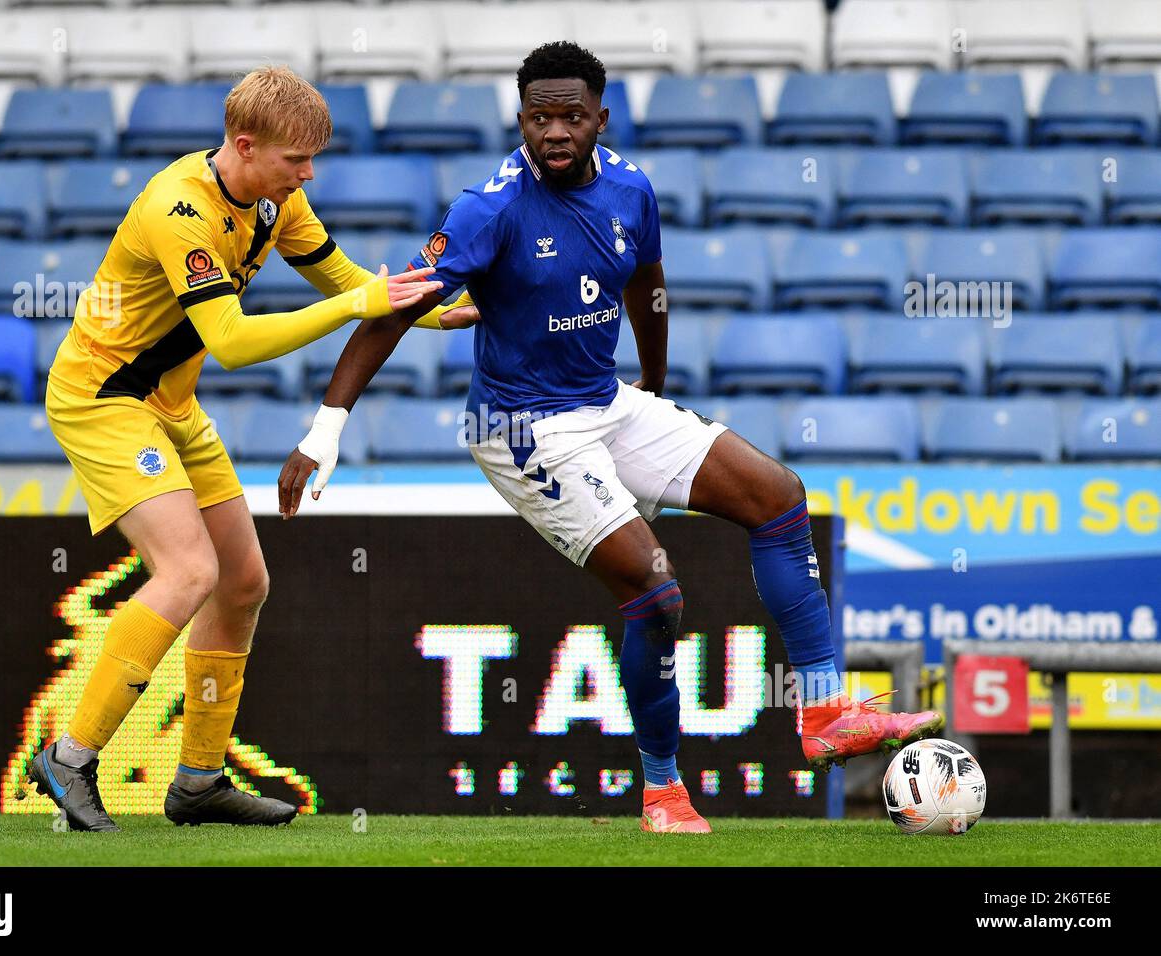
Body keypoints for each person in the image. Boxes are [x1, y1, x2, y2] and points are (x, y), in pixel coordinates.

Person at [277, 42, 943, 834]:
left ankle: (824, 712)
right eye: (537, 116)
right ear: (519, 118)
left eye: (569, 116)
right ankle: (662, 792)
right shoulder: (488, 210)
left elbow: (646, 285)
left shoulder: (630, 188)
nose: (553, 131)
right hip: (520, 426)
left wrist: (653, 386)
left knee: (779, 497)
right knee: (658, 592)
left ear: (600, 117)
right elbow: (392, 311)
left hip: (605, 401)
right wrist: (325, 429)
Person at [34, 66, 476, 832]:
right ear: (244, 144)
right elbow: (233, 342)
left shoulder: (277, 198)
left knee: (241, 583)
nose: (308, 175)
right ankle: (68, 759)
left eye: (311, 161)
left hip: (171, 403)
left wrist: (431, 313)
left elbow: (340, 276)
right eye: (294, 161)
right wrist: (354, 305)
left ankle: (199, 782)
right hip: (103, 400)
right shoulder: (179, 210)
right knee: (190, 571)